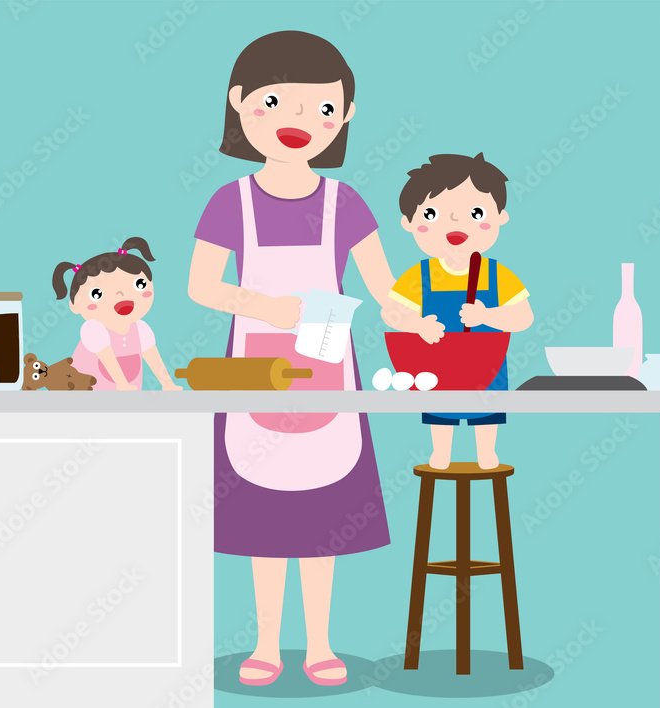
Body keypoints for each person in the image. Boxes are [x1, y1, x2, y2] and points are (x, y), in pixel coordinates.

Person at [187, 31, 397, 687]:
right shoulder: (231, 202)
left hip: (331, 374)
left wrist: (418, 314)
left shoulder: (345, 202)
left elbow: (384, 287)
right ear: (240, 104)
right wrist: (261, 305)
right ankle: (267, 644)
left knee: (324, 516)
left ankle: (322, 644)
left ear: (346, 116)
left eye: (321, 109)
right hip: (253, 372)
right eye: (276, 103)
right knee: (264, 518)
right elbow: (202, 286)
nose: (298, 124)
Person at [384, 153, 534, 469]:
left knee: (487, 407)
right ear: (409, 222)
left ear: (500, 218)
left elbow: (523, 317)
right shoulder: (420, 276)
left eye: (475, 212)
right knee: (440, 406)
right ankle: (440, 451)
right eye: (434, 214)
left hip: (488, 362)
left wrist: (487, 316)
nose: (455, 225)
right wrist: (417, 325)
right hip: (437, 363)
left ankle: (486, 451)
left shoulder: (497, 275)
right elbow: (391, 313)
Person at [52, 237, 181, 391]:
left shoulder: (140, 328)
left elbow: (152, 357)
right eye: (96, 294)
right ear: (75, 305)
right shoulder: (93, 329)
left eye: (139, 284)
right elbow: (107, 357)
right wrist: (122, 385)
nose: (121, 296)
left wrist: (167, 383)